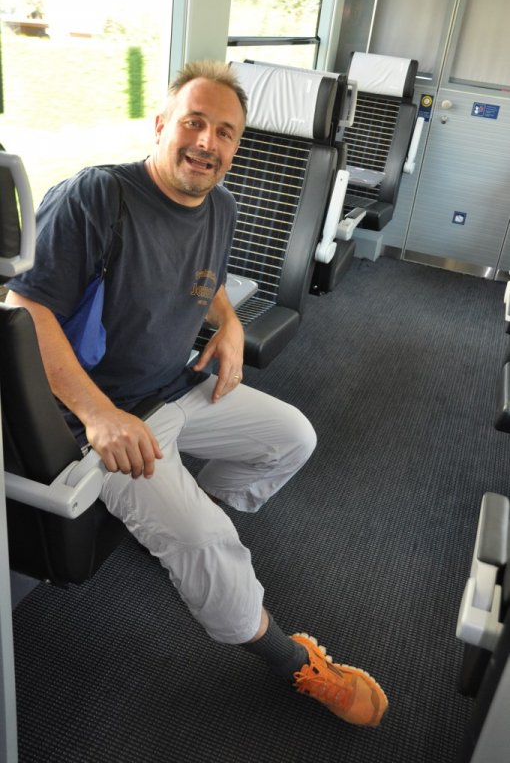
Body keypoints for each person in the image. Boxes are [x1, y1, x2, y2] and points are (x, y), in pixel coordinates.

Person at [6, 59, 388, 726]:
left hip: (175, 389)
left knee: (293, 438)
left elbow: (206, 280)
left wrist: (230, 322)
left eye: (225, 132)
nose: (207, 142)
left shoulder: (221, 206)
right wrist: (97, 413)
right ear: (161, 125)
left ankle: (180, 522)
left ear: (237, 146)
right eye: (194, 123)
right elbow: (24, 307)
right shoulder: (97, 197)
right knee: (210, 544)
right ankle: (292, 662)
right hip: (106, 419)